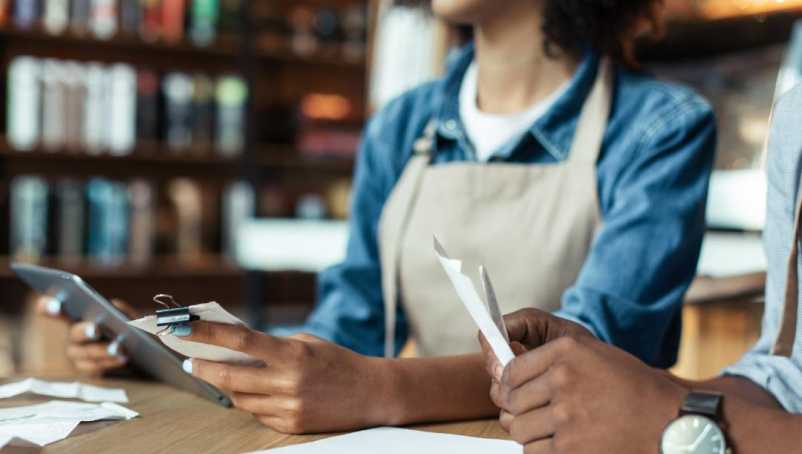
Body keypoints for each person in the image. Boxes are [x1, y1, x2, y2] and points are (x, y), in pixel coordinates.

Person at [38, 0, 715, 434]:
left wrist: (374, 387)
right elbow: (348, 325)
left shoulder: (660, 128)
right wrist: (173, 349)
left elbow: (595, 355)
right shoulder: (402, 124)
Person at [480, 84, 802, 454]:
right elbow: (789, 379)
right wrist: (634, 389)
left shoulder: (666, 123)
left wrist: (671, 424)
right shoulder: (795, 115)